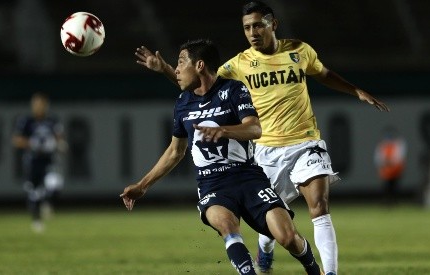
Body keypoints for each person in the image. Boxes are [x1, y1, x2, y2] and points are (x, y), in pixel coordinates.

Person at [134, 2, 390, 274]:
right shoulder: (239, 64)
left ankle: (329, 273)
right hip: (265, 151)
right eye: (247, 27)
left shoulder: (299, 51)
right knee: (274, 225)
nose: (252, 32)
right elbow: (200, 84)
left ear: (273, 24)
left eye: (258, 25)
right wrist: (164, 69)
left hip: (306, 141)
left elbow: (323, 74)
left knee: (319, 207)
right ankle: (265, 251)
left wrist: (355, 90)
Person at [121, 39, 323, 275]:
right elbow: (176, 151)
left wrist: (224, 130)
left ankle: (313, 269)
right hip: (212, 184)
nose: (176, 69)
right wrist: (143, 185)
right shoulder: (182, 103)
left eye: (181, 62)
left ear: (199, 65)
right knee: (228, 226)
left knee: (287, 237)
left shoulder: (234, 90)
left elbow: (255, 129)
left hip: (248, 178)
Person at [12, 92, 66, 233]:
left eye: (41, 104)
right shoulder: (26, 121)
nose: (39, 107)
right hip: (33, 161)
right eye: (36, 104)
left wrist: (60, 144)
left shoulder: (52, 121)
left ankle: (47, 203)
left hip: (49, 160)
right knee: (34, 193)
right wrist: (33, 143)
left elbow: (59, 138)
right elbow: (17, 140)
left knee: (55, 183)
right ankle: (36, 221)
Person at [374, 126, 407, 205]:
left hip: (395, 171)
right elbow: (378, 158)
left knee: (394, 187)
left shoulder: (397, 145)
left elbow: (398, 158)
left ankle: (394, 201)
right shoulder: (382, 146)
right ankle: (387, 201)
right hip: (386, 171)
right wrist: (384, 164)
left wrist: (390, 162)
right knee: (386, 187)